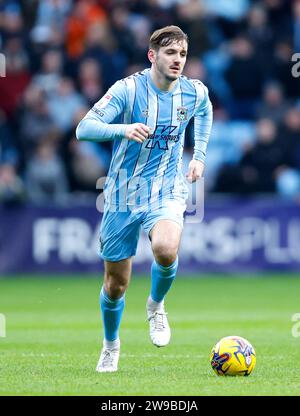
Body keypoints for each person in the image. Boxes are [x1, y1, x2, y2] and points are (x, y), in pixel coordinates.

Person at [76, 25, 213, 372]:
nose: (178, 60)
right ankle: (110, 345)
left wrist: (199, 155)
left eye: (182, 54)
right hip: (122, 193)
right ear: (152, 55)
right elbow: (84, 128)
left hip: (166, 189)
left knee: (166, 250)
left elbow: (206, 110)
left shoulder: (193, 92)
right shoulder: (128, 90)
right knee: (116, 284)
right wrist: (122, 129)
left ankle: (156, 305)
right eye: (170, 53)